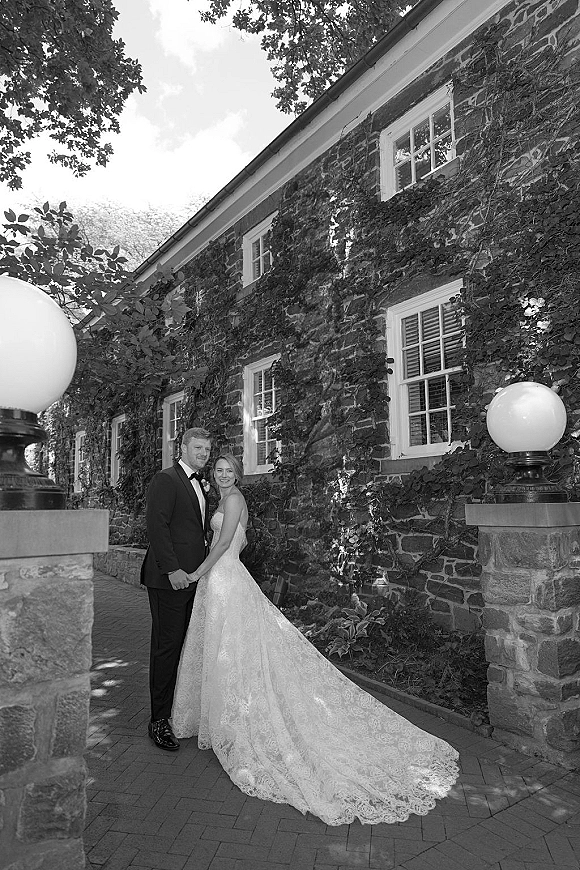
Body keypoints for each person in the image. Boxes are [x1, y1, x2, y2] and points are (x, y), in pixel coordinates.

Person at [172, 452, 460, 825]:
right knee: (228, 649)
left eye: (230, 471)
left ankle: (240, 724)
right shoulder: (226, 499)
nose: (224, 475)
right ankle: (224, 715)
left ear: (238, 476)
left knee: (234, 648)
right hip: (227, 577)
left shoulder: (235, 499)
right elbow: (238, 544)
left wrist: (197, 573)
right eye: (219, 470)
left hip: (224, 578)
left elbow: (226, 544)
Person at [140, 426, 212, 751]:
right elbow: (157, 526)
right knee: (166, 647)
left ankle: (176, 712)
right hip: (170, 580)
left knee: (183, 644)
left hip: (192, 579)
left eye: (206, 450)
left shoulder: (200, 484)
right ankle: (158, 721)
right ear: (181, 447)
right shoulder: (166, 479)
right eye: (197, 448)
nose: (203, 454)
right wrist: (172, 570)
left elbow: (191, 530)